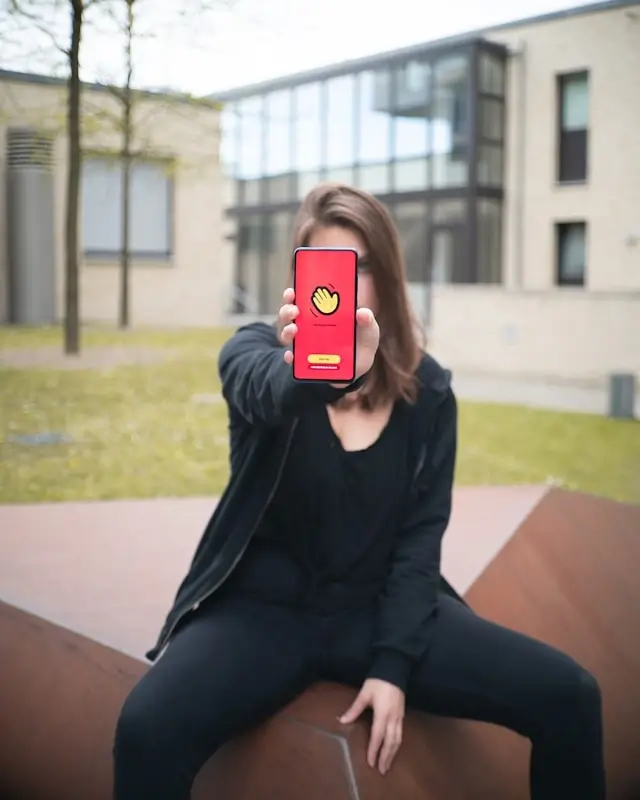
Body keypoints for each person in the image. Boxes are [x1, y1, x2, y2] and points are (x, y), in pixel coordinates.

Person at [112, 183, 606, 800]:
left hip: (374, 612)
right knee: (144, 729)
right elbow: (268, 389)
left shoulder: (428, 391)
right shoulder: (256, 354)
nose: (346, 288)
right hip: (262, 613)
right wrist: (322, 370)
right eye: (329, 268)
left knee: (571, 696)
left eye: (361, 266)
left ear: (387, 276)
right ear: (300, 278)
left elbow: (420, 537)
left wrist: (394, 665)